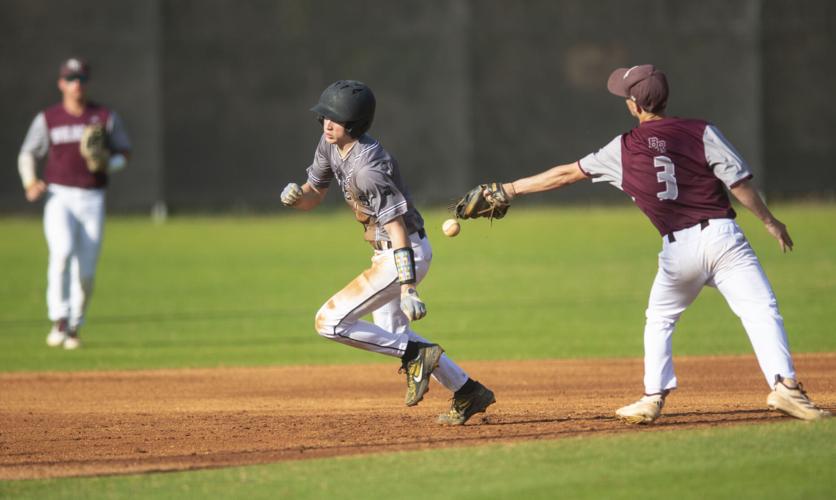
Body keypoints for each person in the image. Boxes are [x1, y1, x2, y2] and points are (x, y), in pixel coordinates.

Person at [464, 64, 831, 423]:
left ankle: (652, 397)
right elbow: (739, 184)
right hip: (724, 239)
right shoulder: (701, 131)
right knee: (761, 310)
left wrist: (509, 189)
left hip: (678, 249)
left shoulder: (622, 148)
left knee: (660, 319)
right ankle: (785, 386)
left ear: (635, 106)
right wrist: (770, 221)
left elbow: (565, 175)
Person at [280, 80, 495, 425]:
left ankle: (416, 355)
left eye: (335, 119)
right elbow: (314, 194)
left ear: (354, 123)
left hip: (403, 251)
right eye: (324, 118)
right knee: (394, 336)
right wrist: (297, 196)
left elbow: (396, 229)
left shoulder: (369, 168)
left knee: (330, 322)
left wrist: (409, 287)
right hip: (387, 253)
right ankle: (468, 391)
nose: (327, 124)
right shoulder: (329, 145)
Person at [18, 57, 131, 350]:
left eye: (80, 79)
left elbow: (124, 153)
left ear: (86, 83)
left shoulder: (104, 117)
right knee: (62, 252)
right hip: (59, 196)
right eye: (70, 79)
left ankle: (75, 325)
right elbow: (28, 152)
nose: (75, 84)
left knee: (87, 271)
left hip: (92, 198)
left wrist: (109, 163)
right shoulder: (49, 118)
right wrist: (31, 181)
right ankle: (59, 318)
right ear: (61, 84)